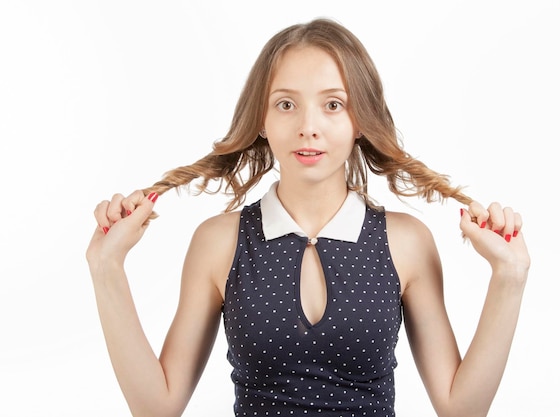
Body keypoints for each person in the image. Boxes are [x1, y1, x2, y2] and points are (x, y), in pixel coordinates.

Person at [86, 18, 530, 417]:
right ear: (261, 118)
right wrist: (106, 269)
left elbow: (461, 410)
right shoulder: (219, 242)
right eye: (286, 104)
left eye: (333, 104)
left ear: (361, 120)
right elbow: (156, 408)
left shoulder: (406, 242)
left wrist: (509, 277)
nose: (308, 126)